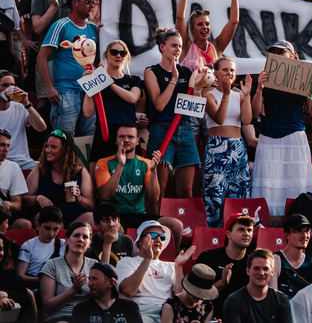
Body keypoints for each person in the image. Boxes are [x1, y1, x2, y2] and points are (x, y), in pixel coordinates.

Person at [251, 40, 312, 213]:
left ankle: (298, 219)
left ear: (292, 55)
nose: (277, 54)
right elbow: (254, 113)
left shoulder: (302, 78)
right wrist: (259, 88)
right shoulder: (264, 77)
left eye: (281, 51)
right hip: (269, 136)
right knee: (269, 183)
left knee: (295, 183)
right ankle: (269, 222)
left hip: (294, 137)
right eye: (274, 51)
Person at [143, 28, 200, 199]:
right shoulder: (151, 71)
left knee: (186, 191)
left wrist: (199, 87)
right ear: (162, 47)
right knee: (160, 188)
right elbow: (159, 105)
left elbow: (194, 104)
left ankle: (186, 225)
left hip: (185, 128)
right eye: (174, 45)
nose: (178, 50)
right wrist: (173, 79)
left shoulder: (187, 72)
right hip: (162, 129)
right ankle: (158, 223)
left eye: (180, 46)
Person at [38, 0, 99, 136]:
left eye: (93, 2)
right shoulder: (61, 25)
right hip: (66, 91)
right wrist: (49, 88)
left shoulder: (93, 28)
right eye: (88, 2)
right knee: (64, 138)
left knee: (88, 137)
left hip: (89, 91)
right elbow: (41, 56)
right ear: (75, 3)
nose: (92, 5)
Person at [199, 57, 252, 227]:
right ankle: (213, 236)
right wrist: (227, 94)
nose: (229, 73)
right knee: (214, 195)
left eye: (232, 70)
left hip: (238, 146)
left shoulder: (239, 95)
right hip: (216, 147)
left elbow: (247, 119)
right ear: (215, 72)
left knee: (240, 192)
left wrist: (248, 95)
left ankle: (239, 232)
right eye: (225, 70)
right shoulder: (209, 96)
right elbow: (220, 119)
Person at [117, 221, 196, 323]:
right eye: (153, 235)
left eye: (162, 237)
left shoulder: (171, 266)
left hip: (167, 315)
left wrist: (178, 266)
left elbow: (180, 299)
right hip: (139, 315)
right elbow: (128, 290)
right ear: (140, 241)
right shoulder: (127, 262)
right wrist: (147, 259)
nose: (158, 239)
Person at [81, 41, 143, 165]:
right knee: (97, 179)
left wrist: (107, 82)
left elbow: (132, 98)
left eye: (122, 53)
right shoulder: (97, 79)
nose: (118, 56)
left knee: (131, 177)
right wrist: (88, 85)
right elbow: (88, 113)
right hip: (104, 133)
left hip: (127, 134)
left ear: (126, 56)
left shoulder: (133, 80)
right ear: (106, 56)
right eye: (114, 52)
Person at [172, 0, 242, 75]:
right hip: (190, 91)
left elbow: (234, 21)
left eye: (207, 24)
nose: (205, 27)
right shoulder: (186, 46)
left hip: (213, 91)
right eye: (200, 24)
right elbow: (179, 18)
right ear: (192, 28)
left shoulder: (216, 46)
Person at [94, 123, 163, 229]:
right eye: (122, 136)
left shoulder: (146, 163)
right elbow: (104, 196)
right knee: (117, 229)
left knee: (175, 225)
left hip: (140, 216)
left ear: (137, 141)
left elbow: (154, 199)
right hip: (114, 217)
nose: (126, 140)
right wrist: (120, 166)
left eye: (130, 137)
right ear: (116, 140)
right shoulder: (104, 163)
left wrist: (153, 171)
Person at [26, 129, 94, 225]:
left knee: (91, 218)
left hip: (73, 215)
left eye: (53, 147)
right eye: (47, 146)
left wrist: (79, 198)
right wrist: (37, 198)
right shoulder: (39, 170)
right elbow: (23, 200)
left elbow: (91, 205)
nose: (48, 150)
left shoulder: (80, 171)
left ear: (65, 151)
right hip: (48, 216)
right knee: (54, 221)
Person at [195, 213, 256, 317]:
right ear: (228, 234)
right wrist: (222, 283)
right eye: (241, 229)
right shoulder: (208, 257)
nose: (246, 234)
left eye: (249, 230)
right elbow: (195, 295)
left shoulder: (254, 264)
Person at [39, 220, 96, 322]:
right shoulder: (52, 265)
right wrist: (73, 289)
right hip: (62, 317)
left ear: (89, 243)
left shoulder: (94, 265)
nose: (81, 240)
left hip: (89, 317)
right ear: (67, 240)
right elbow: (47, 306)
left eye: (85, 237)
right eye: (76, 235)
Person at [222, 249, 292, 323]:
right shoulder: (234, 301)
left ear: (272, 272)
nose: (261, 273)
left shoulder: (281, 300)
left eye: (265, 269)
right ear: (248, 270)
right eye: (256, 268)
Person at [0, 70, 46, 171]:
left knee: (48, 168)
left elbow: (41, 127)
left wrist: (26, 103)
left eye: (12, 85)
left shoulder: (20, 107)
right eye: (5, 85)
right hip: (1, 162)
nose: (10, 88)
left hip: (22, 161)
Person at [71, 262, 143, 323]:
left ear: (111, 282)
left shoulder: (130, 308)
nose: (89, 283)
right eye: (89, 279)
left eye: (94, 279)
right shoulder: (81, 309)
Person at [16, 205, 65, 288]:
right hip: (36, 287)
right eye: (47, 228)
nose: (51, 233)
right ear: (37, 225)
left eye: (55, 229)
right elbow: (20, 275)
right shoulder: (28, 246)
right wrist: (45, 280)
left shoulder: (64, 244)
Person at [269, 213, 312, 300]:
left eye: (307, 231)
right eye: (299, 231)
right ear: (287, 235)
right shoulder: (275, 261)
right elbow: (273, 299)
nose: (305, 235)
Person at [0, 127, 28, 217]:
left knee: (24, 224)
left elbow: (18, 205)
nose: (6, 149)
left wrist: (9, 204)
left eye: (8, 146)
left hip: (2, 216)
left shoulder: (13, 167)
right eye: (2, 145)